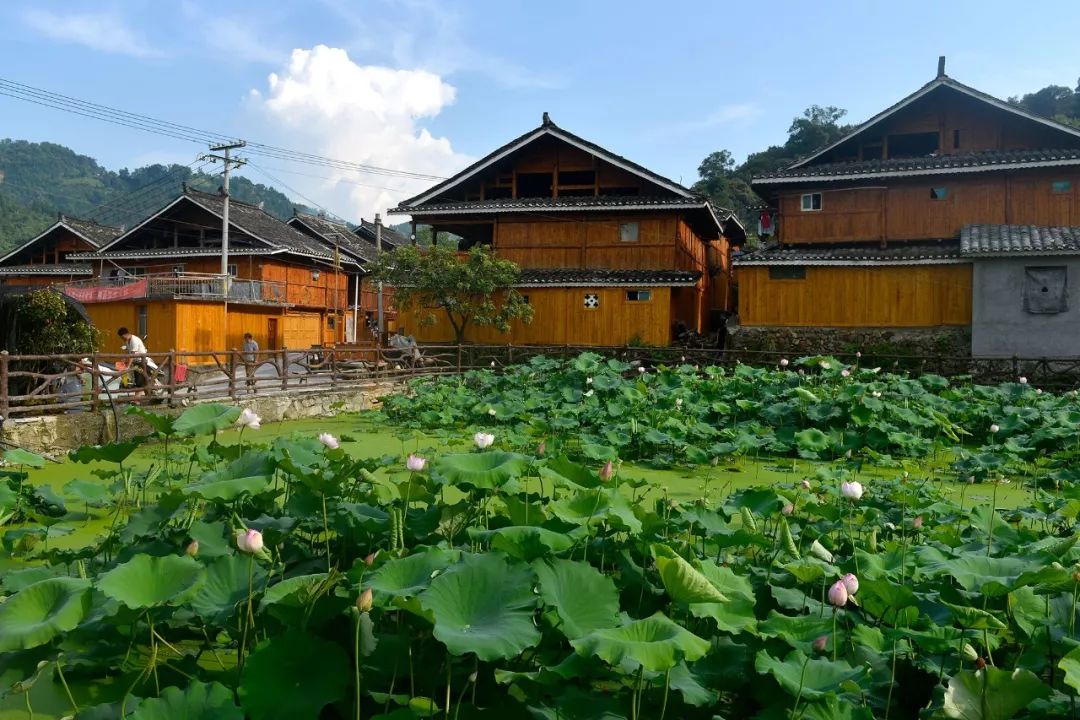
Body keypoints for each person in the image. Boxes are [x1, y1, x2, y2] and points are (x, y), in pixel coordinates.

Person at [117, 327, 150, 401]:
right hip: (136, 362)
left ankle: (137, 400)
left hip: (141, 362)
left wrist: (128, 366)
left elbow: (132, 355)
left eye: (122, 337)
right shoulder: (128, 341)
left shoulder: (134, 340)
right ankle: (146, 397)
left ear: (125, 335)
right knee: (140, 381)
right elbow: (128, 353)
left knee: (139, 381)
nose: (122, 339)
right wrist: (124, 360)